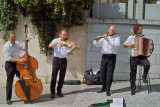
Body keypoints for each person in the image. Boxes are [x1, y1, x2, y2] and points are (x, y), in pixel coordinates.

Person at [124, 24, 154, 95]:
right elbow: (124, 45)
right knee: (133, 73)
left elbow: (150, 44)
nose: (141, 30)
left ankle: (144, 75)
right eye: (140, 29)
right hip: (134, 57)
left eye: (141, 29)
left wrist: (151, 47)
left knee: (147, 64)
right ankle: (133, 89)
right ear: (136, 30)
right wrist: (129, 44)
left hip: (142, 56)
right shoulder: (131, 37)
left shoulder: (144, 37)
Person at [93, 25, 120, 96]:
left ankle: (108, 89)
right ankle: (103, 87)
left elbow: (117, 45)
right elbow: (97, 44)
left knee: (110, 74)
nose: (113, 31)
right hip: (104, 57)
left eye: (114, 30)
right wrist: (97, 39)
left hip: (112, 57)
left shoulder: (117, 37)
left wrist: (108, 40)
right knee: (103, 72)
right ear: (108, 30)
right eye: (112, 30)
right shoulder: (104, 36)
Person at [49, 29, 77, 99]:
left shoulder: (67, 43)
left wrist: (72, 49)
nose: (65, 36)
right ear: (60, 35)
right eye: (64, 35)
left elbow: (67, 53)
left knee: (62, 76)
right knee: (54, 76)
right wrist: (58, 43)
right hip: (56, 60)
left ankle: (59, 91)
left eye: (66, 35)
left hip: (64, 60)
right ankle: (52, 92)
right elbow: (50, 45)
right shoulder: (56, 40)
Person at [3, 31, 29, 105]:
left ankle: (25, 96)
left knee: (23, 79)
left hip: (18, 64)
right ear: (8, 38)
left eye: (15, 36)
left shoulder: (17, 43)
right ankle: (8, 99)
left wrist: (27, 42)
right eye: (12, 37)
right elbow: (8, 58)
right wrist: (19, 60)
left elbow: (24, 49)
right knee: (10, 82)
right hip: (10, 65)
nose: (14, 38)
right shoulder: (6, 46)